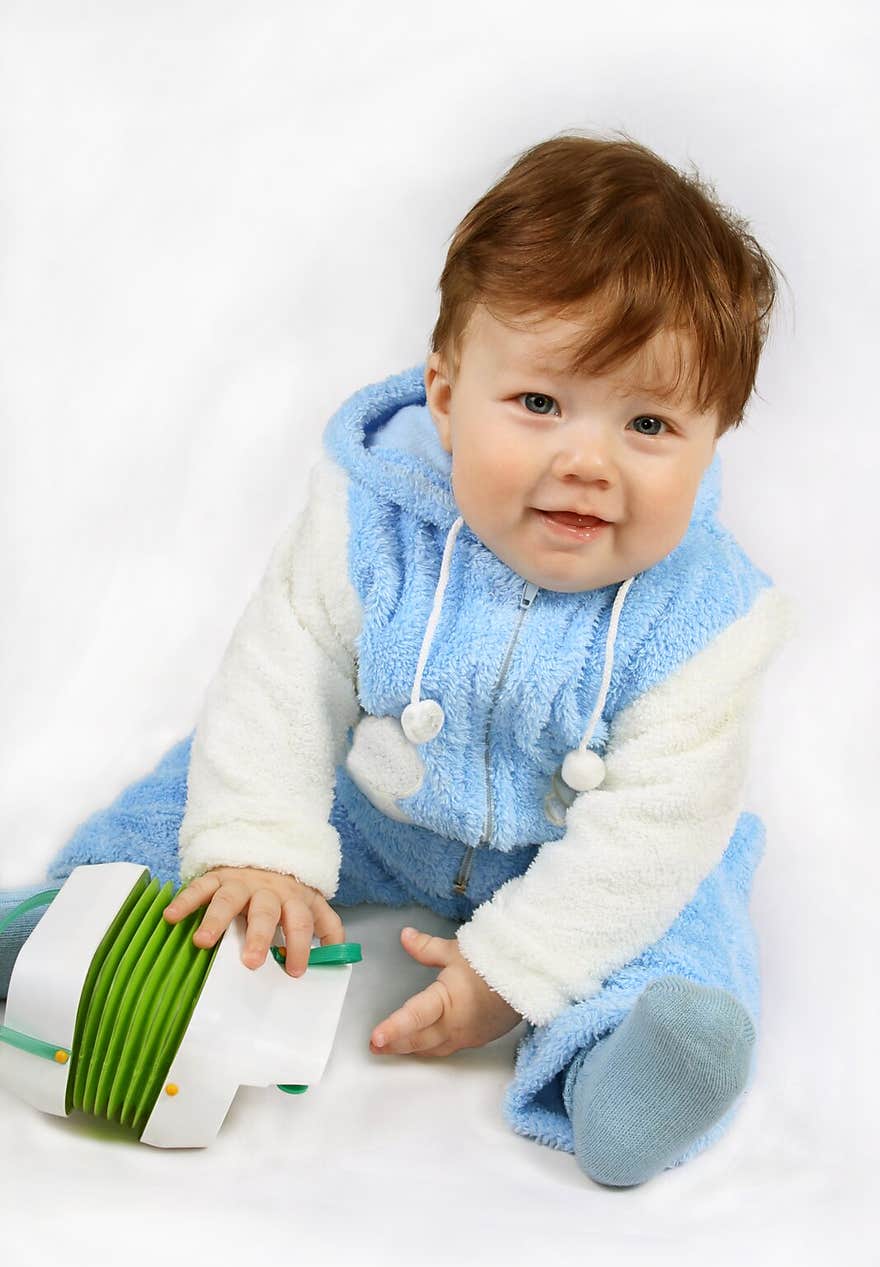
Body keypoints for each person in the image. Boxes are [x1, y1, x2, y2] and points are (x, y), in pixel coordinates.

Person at [0, 131, 797, 1186]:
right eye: (539, 403)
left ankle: (620, 1071)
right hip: (377, 801)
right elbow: (286, 667)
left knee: (681, 916)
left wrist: (512, 972)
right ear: (444, 391)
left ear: (713, 439)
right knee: (210, 790)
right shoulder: (372, 517)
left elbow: (659, 817)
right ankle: (86, 925)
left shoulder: (706, 616)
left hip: (572, 843)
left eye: (648, 422)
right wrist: (261, 844)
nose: (586, 461)